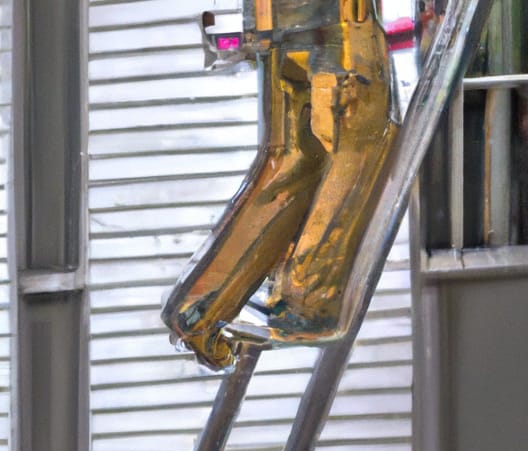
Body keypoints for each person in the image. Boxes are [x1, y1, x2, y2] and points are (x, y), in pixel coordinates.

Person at [162, 0, 399, 370]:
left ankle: (199, 310)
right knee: (358, 150)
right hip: (342, 26)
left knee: (292, 168)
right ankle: (306, 301)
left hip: (285, 24)